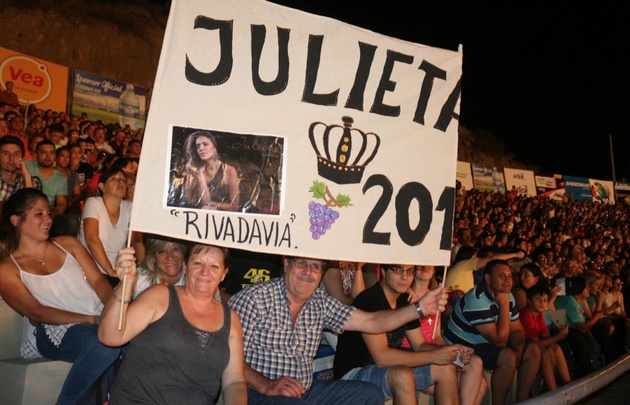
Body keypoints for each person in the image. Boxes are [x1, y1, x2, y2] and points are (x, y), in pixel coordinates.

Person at [228, 256, 449, 405]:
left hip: (306, 391)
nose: (308, 272)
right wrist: (266, 385)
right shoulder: (253, 299)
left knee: (368, 394)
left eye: (315, 267)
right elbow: (227, 358)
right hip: (259, 393)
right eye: (302, 263)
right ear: (286, 263)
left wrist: (420, 309)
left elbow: (372, 322)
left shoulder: (319, 302)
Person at [0, 188, 121, 405]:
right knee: (106, 342)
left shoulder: (68, 243)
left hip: (97, 320)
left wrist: (114, 310)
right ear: (16, 220)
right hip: (52, 331)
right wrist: (94, 320)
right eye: (39, 214)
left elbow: (99, 283)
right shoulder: (8, 268)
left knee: (131, 341)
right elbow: (36, 312)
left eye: (48, 212)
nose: (48, 218)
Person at [98, 243, 247, 404]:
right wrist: (125, 285)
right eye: (197, 263)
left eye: (214, 266)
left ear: (224, 274)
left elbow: (234, 382)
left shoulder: (231, 320)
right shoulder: (159, 296)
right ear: (185, 266)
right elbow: (110, 336)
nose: (205, 272)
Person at [334, 263, 482, 405]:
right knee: (402, 374)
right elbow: (381, 358)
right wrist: (434, 356)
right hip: (354, 373)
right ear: (383, 272)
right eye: (398, 270)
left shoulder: (405, 300)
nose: (405, 277)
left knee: (446, 368)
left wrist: (451, 351)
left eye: (410, 271)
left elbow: (420, 344)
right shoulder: (370, 300)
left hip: (383, 370)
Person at [443, 259, 541, 405]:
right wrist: (503, 304)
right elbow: (499, 341)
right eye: (501, 276)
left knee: (533, 349)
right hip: (462, 345)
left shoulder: (507, 295)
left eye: (509, 276)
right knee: (507, 356)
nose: (507, 280)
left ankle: (523, 400)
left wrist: (519, 349)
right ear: (488, 279)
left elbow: (517, 329)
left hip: (485, 341)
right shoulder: (476, 300)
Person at [402, 265, 487, 405]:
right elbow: (418, 344)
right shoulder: (407, 296)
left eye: (430, 264)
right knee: (479, 382)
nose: (425, 267)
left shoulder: (437, 297)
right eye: (421, 264)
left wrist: (452, 352)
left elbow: (437, 337)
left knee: (476, 364)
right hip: (414, 354)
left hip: (434, 349)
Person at [78, 167, 134, 284]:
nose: (120, 182)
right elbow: (91, 239)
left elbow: (137, 240)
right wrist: (111, 272)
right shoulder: (94, 203)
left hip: (118, 271)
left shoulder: (128, 208)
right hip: (90, 269)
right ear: (102, 187)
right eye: (114, 179)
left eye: (123, 180)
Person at [520, 284, 571, 390]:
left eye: (545, 300)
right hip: (523, 348)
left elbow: (546, 335)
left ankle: (568, 382)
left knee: (556, 348)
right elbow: (535, 344)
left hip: (533, 346)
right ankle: (553, 389)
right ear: (529, 301)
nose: (542, 303)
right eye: (538, 299)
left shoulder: (538, 315)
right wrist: (559, 335)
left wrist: (552, 348)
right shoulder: (526, 315)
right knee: (544, 352)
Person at [180, 131, 240, 211]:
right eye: (198, 146)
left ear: (214, 148)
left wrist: (213, 204)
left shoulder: (229, 170)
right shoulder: (197, 171)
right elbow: (204, 202)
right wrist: (200, 173)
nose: (201, 148)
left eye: (205, 144)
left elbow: (234, 206)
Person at [24, 139, 68, 216]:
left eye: (51, 153)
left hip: (47, 211)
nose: (48, 156)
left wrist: (50, 217)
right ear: (36, 154)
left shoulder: (61, 178)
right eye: (43, 152)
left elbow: (61, 204)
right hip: (25, 208)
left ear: (55, 156)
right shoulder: (27, 165)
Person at [0, 135, 41, 210]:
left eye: (16, 154)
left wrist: (26, 174)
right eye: (6, 153)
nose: (12, 158)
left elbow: (33, 207)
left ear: (22, 157)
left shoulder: (33, 182)